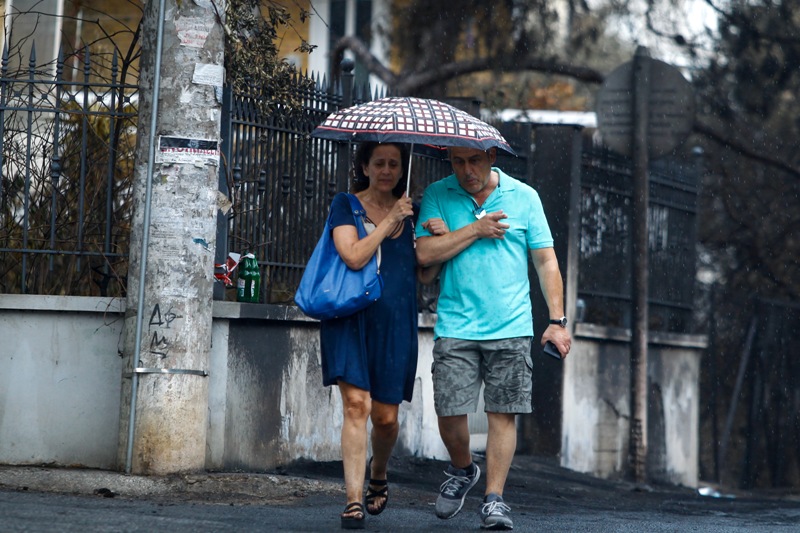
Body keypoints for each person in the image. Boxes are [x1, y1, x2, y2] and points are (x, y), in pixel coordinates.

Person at [415, 145, 572, 531]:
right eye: (457, 162)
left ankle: (494, 499)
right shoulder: (438, 194)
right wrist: (474, 230)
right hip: (455, 324)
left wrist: (557, 319)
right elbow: (423, 256)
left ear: (491, 159)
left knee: (503, 414)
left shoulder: (525, 197)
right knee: (449, 412)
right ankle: (464, 469)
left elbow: (546, 260)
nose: (466, 170)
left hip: (512, 325)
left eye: (474, 161)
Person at [320, 141, 441, 529]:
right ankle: (353, 500)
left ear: (402, 169)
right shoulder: (346, 205)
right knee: (357, 405)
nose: (387, 170)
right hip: (350, 320)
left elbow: (423, 275)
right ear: (365, 166)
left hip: (395, 324)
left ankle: (380, 470)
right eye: (379, 163)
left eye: (394, 164)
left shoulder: (415, 213)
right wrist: (390, 222)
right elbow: (353, 255)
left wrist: (438, 242)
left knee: (386, 419)